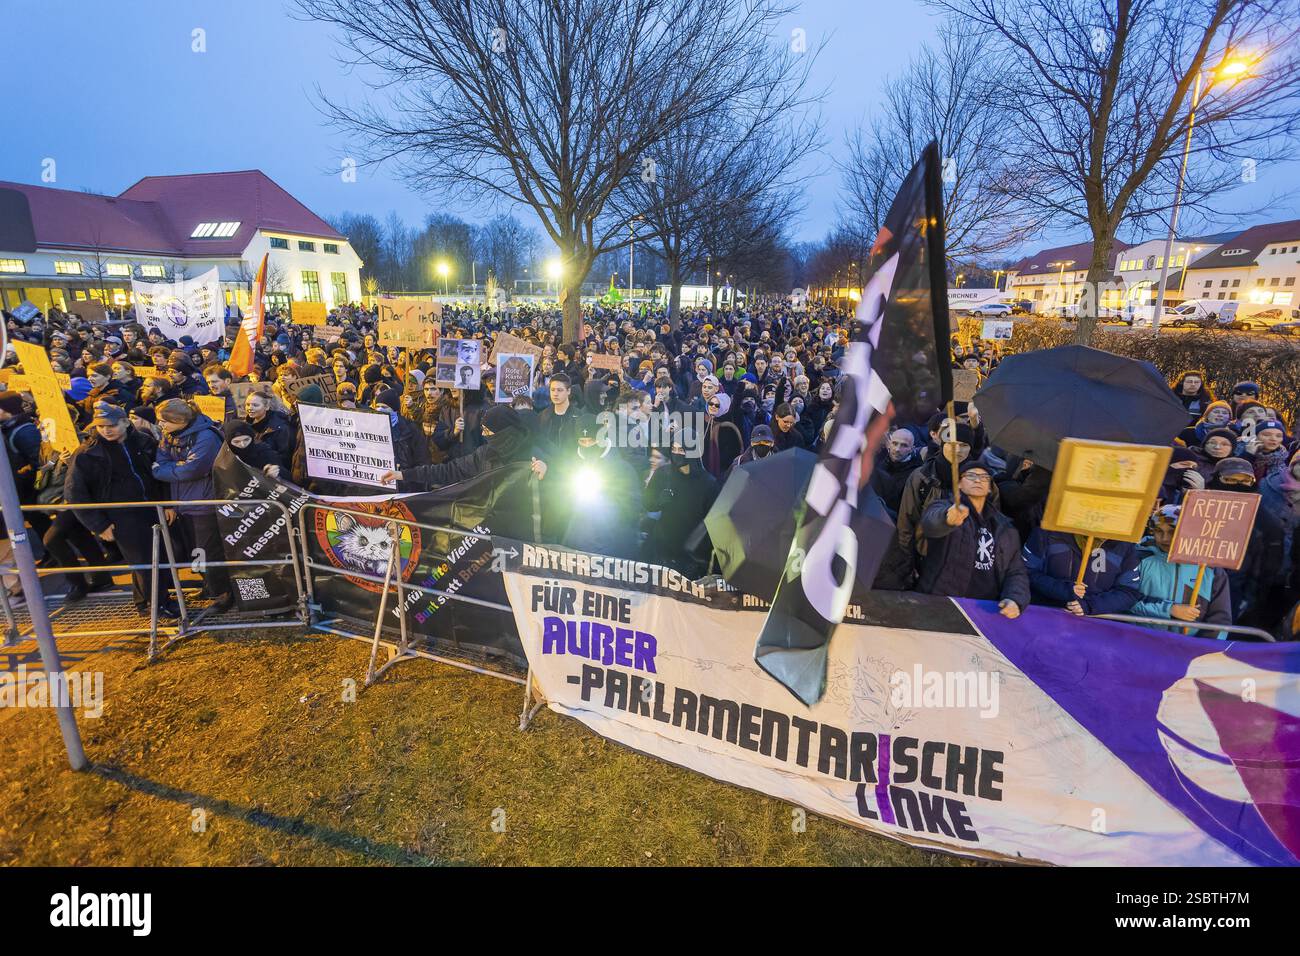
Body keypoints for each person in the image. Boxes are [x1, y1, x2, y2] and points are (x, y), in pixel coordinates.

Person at [63, 405, 179, 619]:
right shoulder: (87, 453)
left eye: (111, 425)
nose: (106, 430)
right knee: (145, 561)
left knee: (154, 557)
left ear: (125, 422)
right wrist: (98, 525)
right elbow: (74, 493)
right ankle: (158, 604)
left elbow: (160, 474)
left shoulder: (144, 442)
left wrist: (168, 503)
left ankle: (146, 602)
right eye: (100, 426)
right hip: (120, 516)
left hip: (150, 508)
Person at [916, 461, 1028, 618]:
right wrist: (947, 519)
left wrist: (1015, 598)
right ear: (959, 484)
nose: (978, 480)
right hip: (943, 604)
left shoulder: (1004, 526)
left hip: (985, 611)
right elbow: (930, 523)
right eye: (971, 476)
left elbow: (1016, 570)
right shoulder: (942, 506)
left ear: (989, 487)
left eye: (984, 477)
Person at [152, 399, 231, 609]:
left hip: (204, 503)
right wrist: (174, 467)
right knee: (196, 551)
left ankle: (223, 592)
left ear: (180, 420)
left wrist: (165, 469)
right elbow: (161, 460)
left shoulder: (206, 436)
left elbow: (192, 469)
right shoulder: (169, 435)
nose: (160, 425)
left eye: (164, 421)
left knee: (209, 550)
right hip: (183, 502)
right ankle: (207, 585)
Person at [1132, 506, 1231, 638]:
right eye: (1158, 531)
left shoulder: (1211, 569)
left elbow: (1219, 621)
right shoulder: (1139, 557)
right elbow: (1124, 601)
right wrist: (1169, 610)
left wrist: (1201, 652)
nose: (1164, 538)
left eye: (1172, 532)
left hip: (1186, 650)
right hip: (1137, 643)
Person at [1022, 526, 1142, 617]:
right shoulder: (1046, 533)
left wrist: (1090, 605)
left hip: (1096, 629)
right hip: (1045, 619)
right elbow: (1026, 572)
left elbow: (1128, 592)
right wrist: (1063, 589)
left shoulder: (1125, 546)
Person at [871, 427, 923, 517]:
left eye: (904, 445)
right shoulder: (878, 462)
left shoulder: (917, 473)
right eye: (895, 443)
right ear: (889, 444)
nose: (897, 449)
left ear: (912, 449)